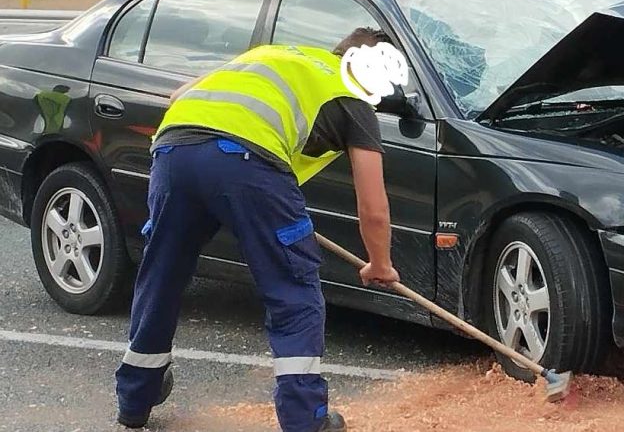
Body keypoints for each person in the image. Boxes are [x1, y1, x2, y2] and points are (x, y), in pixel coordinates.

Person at [114, 28, 407, 432]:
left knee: (161, 274)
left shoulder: (276, 54)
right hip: (248, 161)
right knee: (293, 286)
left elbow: (179, 95)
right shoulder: (354, 99)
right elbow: (373, 205)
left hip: (174, 148)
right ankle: (305, 419)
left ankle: (134, 399)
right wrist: (380, 263)